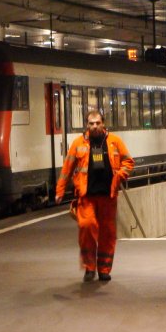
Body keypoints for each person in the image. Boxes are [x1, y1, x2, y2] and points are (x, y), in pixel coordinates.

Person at [55, 110, 135, 282]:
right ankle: (89, 267)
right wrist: (60, 190)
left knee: (107, 233)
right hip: (86, 196)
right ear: (86, 125)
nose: (95, 126)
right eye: (91, 123)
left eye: (97, 123)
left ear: (103, 123)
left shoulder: (115, 142)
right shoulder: (78, 143)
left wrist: (120, 175)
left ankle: (104, 269)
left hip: (108, 196)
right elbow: (67, 168)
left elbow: (128, 161)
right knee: (87, 227)